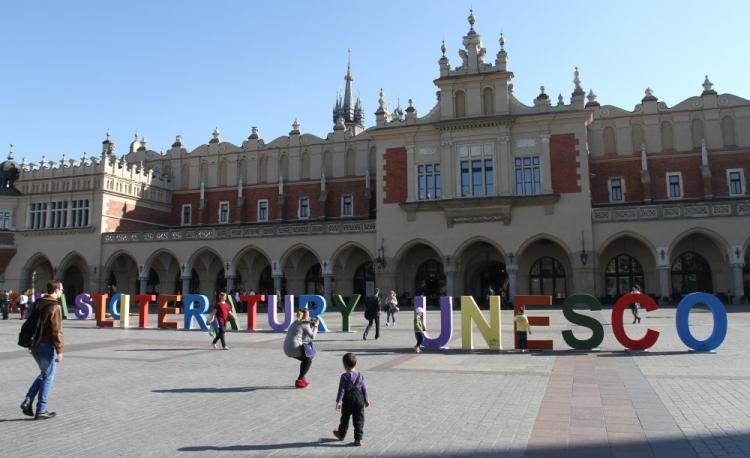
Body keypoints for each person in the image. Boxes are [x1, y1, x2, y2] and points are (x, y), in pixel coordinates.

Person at [21, 279, 64, 420]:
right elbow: (56, 331)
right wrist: (60, 350)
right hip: (46, 345)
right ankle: (41, 409)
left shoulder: (38, 302)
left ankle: (28, 400)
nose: (62, 292)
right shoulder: (55, 307)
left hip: (34, 344)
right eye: (61, 289)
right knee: (48, 376)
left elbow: (30, 323)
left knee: (45, 373)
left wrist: (29, 344)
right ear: (56, 290)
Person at [332, 352, 369, 446]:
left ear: (344, 365)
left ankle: (341, 434)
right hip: (359, 400)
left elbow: (341, 390)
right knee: (359, 419)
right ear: (355, 364)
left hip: (348, 401)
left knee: (345, 418)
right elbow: (364, 388)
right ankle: (358, 439)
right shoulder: (360, 375)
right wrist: (366, 399)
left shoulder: (344, 376)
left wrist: (338, 401)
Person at [283, 309, 319, 388]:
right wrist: (316, 326)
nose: (310, 317)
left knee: (305, 359)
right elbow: (312, 337)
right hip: (293, 348)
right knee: (308, 360)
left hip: (286, 348)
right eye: (309, 315)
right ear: (306, 316)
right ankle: (299, 380)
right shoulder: (305, 324)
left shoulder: (295, 322)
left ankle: (302, 378)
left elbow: (303, 337)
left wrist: (311, 327)